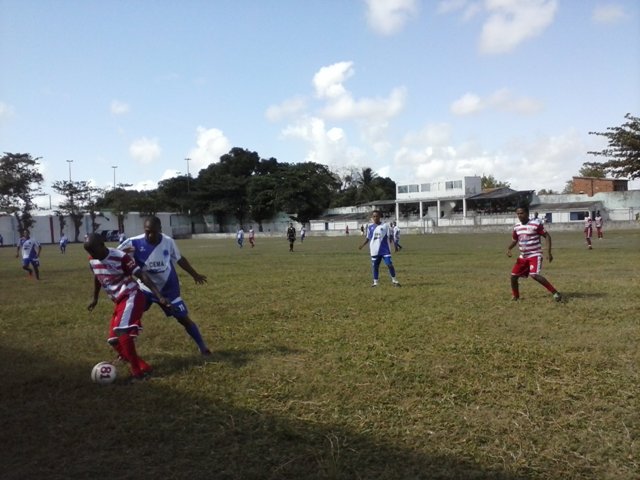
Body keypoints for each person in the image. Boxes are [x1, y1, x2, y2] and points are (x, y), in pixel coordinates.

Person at [118, 216, 212, 355]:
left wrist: (195, 275)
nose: (150, 235)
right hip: (145, 289)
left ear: (160, 230)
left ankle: (203, 347)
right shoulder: (133, 242)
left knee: (183, 319)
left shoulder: (168, 241)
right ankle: (124, 352)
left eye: (153, 232)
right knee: (130, 318)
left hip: (168, 289)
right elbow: (114, 257)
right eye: (147, 231)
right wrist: (124, 262)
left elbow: (179, 259)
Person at [85, 233, 170, 381]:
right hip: (118, 301)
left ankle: (138, 374)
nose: (92, 254)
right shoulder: (92, 260)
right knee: (114, 340)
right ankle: (143, 366)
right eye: (89, 251)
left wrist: (159, 296)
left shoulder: (120, 257)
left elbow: (142, 275)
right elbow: (98, 277)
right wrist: (95, 298)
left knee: (122, 332)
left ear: (102, 244)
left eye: (93, 250)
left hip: (132, 296)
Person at [507, 205, 562, 302]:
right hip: (523, 256)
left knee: (534, 275)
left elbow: (547, 236)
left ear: (527, 213)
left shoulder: (535, 225)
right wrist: (509, 248)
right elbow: (515, 240)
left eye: (522, 213)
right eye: (518, 213)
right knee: (513, 277)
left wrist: (548, 252)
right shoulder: (516, 227)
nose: (520, 215)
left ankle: (555, 293)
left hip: (534, 254)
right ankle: (516, 296)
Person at [359, 210, 400, 287]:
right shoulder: (370, 227)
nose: (375, 218)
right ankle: (375, 283)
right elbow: (368, 238)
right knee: (375, 266)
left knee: (389, 264)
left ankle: (395, 281)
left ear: (380, 217)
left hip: (385, 250)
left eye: (377, 216)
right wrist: (362, 245)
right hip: (374, 250)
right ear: (372, 217)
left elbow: (391, 237)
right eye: (373, 216)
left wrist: (395, 246)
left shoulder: (385, 226)